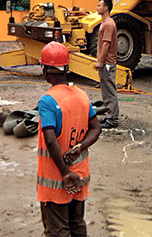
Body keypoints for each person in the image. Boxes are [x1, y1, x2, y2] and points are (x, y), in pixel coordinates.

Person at [37, 41, 101, 237]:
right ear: (67, 68)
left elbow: (50, 140)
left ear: (46, 70)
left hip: (57, 180)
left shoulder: (47, 101)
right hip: (79, 176)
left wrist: (64, 172)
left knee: (58, 230)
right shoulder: (82, 96)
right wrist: (79, 148)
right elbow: (96, 128)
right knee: (77, 224)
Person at [94, 0, 119, 128]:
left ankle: (113, 119)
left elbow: (106, 44)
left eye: (99, 5)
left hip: (107, 63)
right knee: (106, 90)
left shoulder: (108, 24)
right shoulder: (105, 23)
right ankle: (109, 116)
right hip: (106, 63)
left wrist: (100, 61)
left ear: (106, 8)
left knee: (109, 90)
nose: (97, 7)